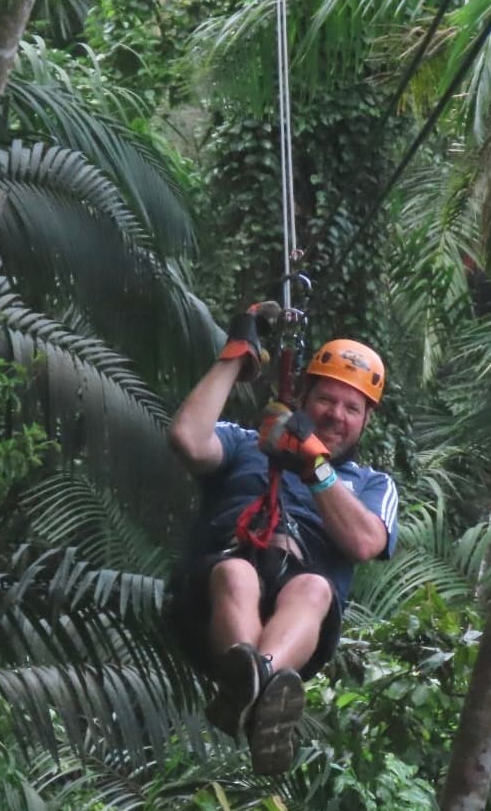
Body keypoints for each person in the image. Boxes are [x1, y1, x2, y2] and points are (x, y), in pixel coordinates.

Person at [166, 302, 400, 774]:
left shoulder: (371, 484)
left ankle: (249, 690)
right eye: (326, 401)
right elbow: (188, 440)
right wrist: (237, 354)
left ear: (366, 421)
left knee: (314, 588)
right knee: (235, 573)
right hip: (211, 597)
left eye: (351, 408)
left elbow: (364, 543)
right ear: (303, 397)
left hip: (299, 619)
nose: (336, 415)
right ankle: (260, 689)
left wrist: (314, 467)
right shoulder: (245, 444)